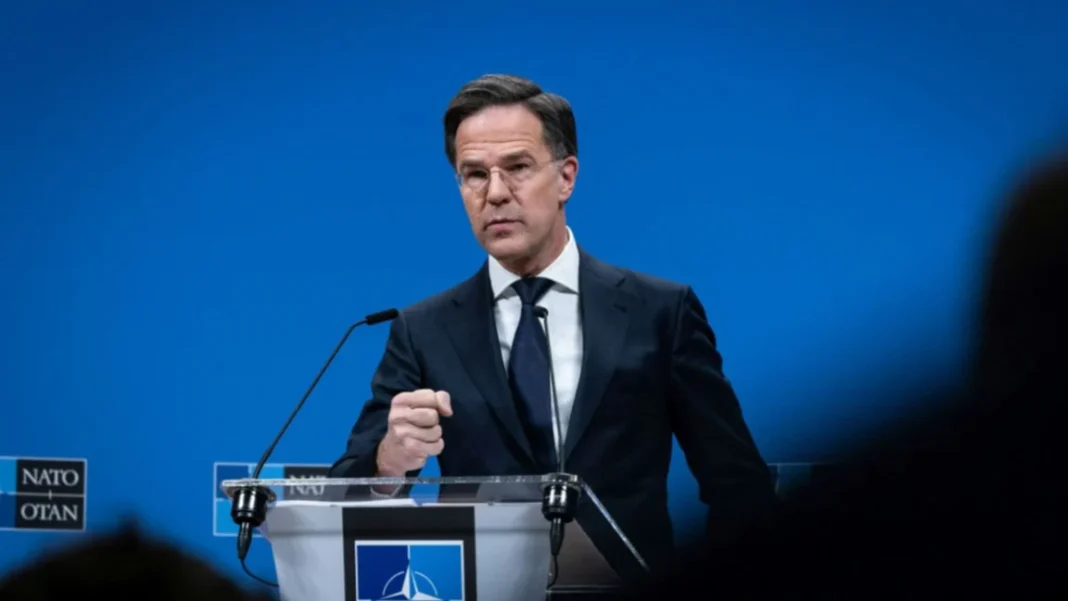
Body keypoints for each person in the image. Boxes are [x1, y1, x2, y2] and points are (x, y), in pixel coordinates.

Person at [328, 74, 776, 579]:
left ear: (566, 177)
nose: (495, 193)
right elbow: (343, 493)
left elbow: (737, 484)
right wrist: (389, 462)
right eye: (474, 174)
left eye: (517, 167)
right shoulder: (422, 330)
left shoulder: (659, 312)